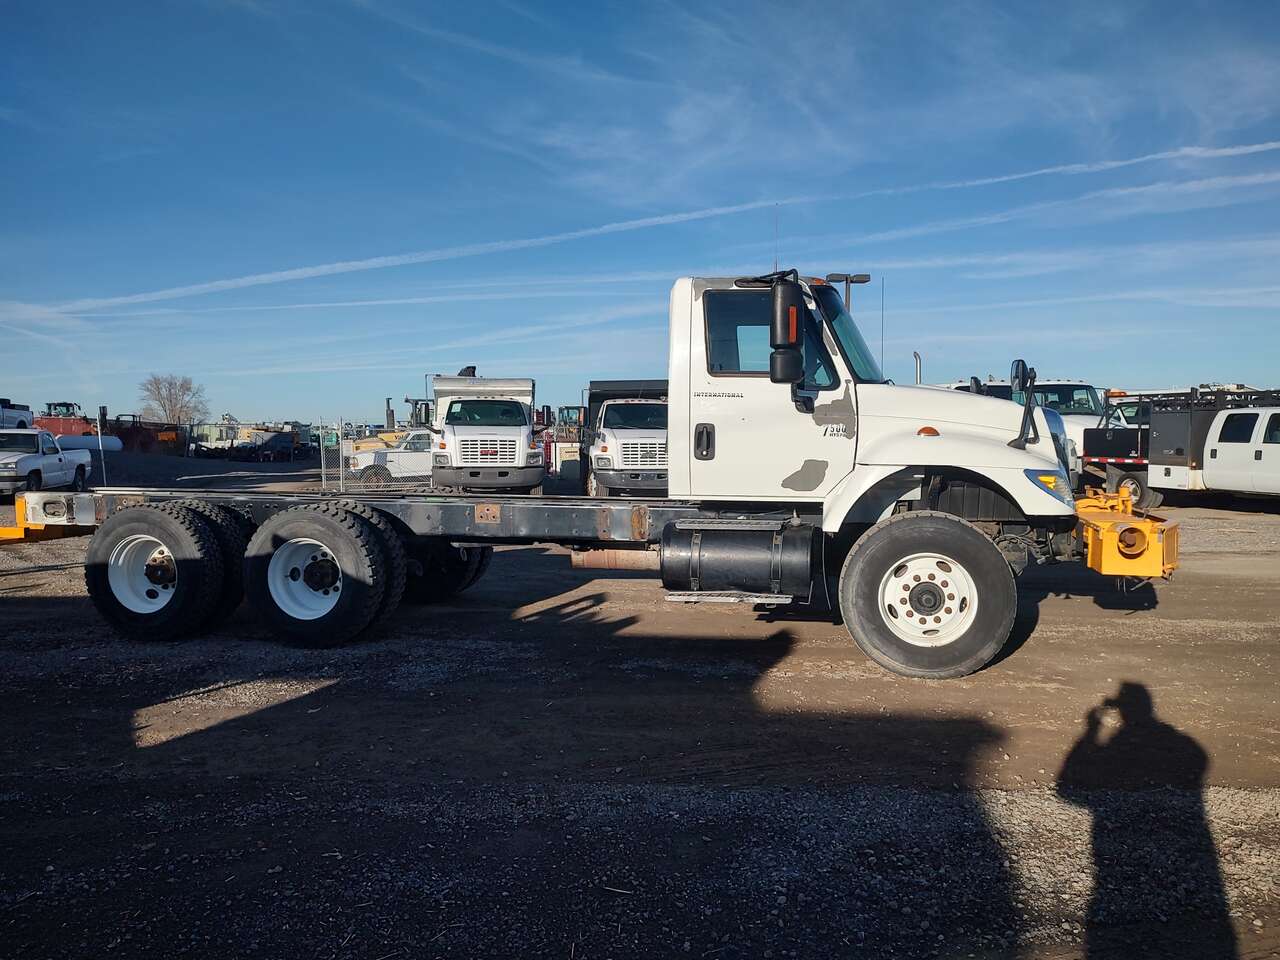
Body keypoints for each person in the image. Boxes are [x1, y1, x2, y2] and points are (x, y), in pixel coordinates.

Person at [1057, 682, 1236, 958]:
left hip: (1114, 864)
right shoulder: (1183, 744)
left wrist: (1091, 730)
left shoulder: (1121, 745)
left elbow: (1067, 790)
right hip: (1186, 854)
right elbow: (1198, 762)